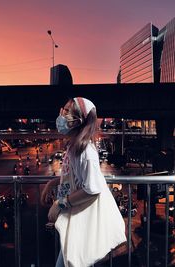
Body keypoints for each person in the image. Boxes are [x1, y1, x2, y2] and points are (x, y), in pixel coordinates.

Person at [41, 97, 126, 267]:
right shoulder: (75, 147)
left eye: (66, 111)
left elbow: (92, 188)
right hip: (78, 217)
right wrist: (53, 183)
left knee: (72, 260)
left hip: (82, 218)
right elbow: (75, 177)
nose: (61, 114)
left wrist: (60, 204)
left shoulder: (84, 151)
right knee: (70, 259)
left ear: (77, 120)